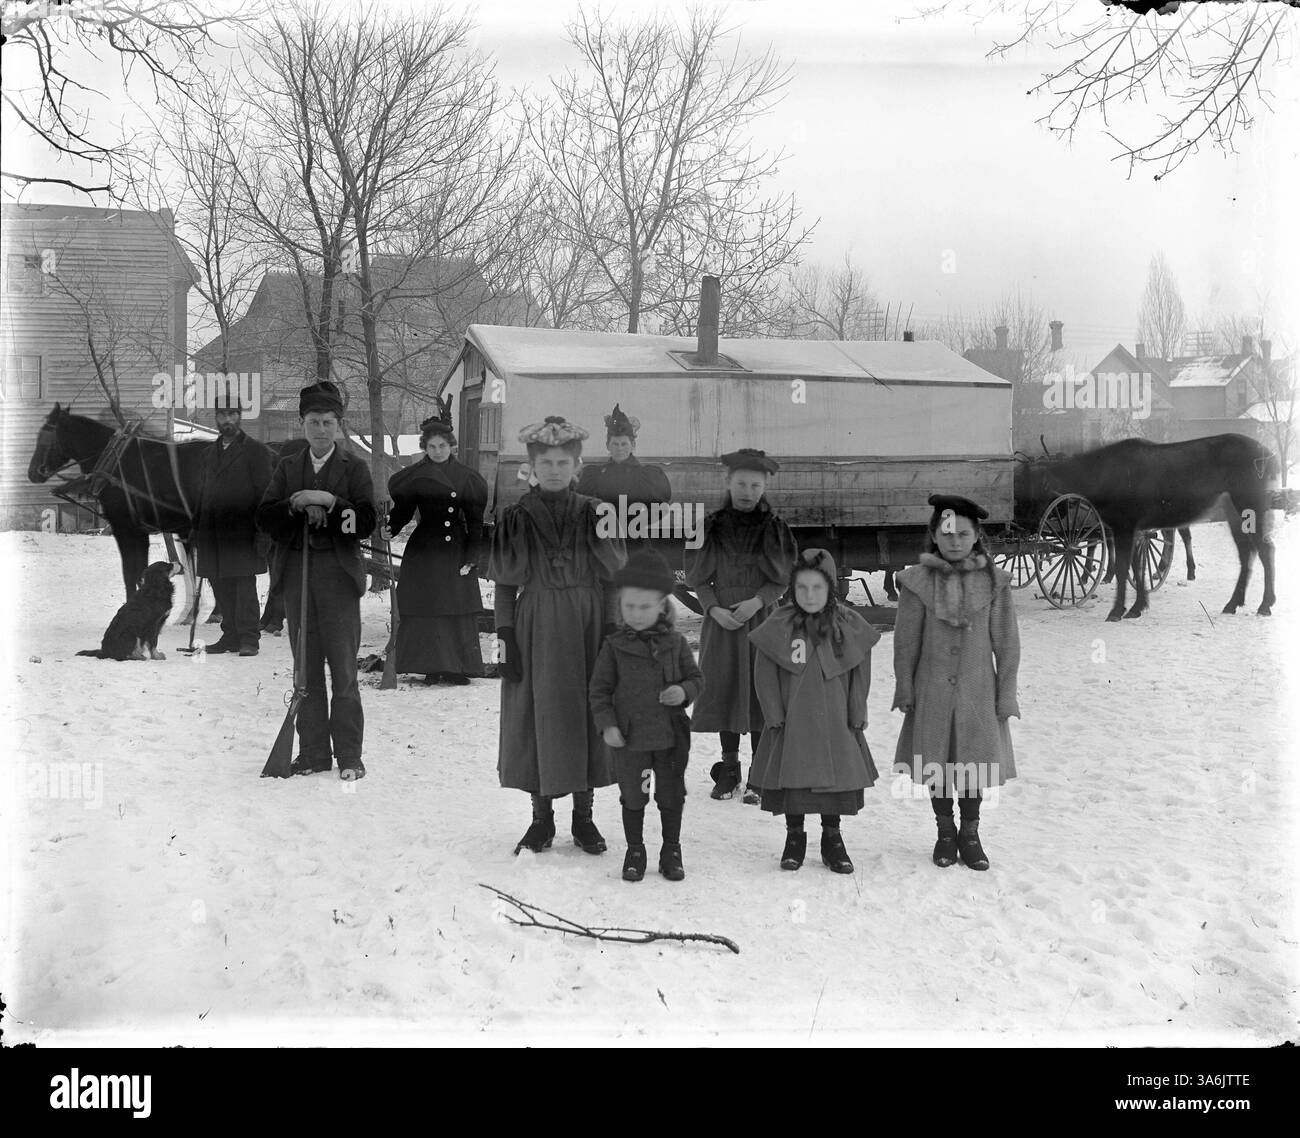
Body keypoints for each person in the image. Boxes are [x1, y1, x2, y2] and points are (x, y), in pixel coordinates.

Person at [489, 415, 627, 855]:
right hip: (536, 626)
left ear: (577, 465)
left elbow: (612, 581)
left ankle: (584, 819)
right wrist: (504, 638)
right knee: (539, 714)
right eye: (545, 462)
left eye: (563, 461)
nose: (554, 469)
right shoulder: (516, 517)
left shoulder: (596, 513)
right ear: (532, 466)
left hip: (588, 624)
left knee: (588, 711)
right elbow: (506, 585)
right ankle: (541, 819)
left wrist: (611, 631)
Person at [891, 494, 1021, 870]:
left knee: (972, 764)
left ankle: (971, 832)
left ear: (976, 535)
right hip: (932, 689)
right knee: (938, 760)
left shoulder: (995, 583)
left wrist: (1006, 695)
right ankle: (945, 831)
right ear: (934, 535)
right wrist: (905, 687)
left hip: (978, 691)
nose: (954, 541)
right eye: (946, 533)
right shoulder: (916, 583)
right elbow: (905, 642)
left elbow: (1007, 643)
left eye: (963, 533)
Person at [256, 380, 377, 781]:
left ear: (339, 426)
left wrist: (330, 502)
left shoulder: (355, 468)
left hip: (338, 580)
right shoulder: (288, 467)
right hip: (298, 579)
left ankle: (348, 755)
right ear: (303, 424)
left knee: (343, 671)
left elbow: (365, 522)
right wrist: (295, 504)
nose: (321, 429)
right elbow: (265, 517)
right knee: (304, 670)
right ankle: (312, 753)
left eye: (328, 422)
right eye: (313, 422)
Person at [748, 548, 880, 873]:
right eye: (802, 588)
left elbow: (860, 670)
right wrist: (772, 711)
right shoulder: (779, 624)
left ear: (831, 588)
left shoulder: (847, 624)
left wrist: (857, 708)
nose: (809, 595)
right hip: (792, 721)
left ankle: (832, 837)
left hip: (836, 720)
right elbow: (763, 671)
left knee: (834, 782)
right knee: (792, 779)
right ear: (792, 589)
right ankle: (795, 836)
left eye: (817, 588)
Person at [685, 448, 797, 804]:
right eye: (741, 483)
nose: (747, 491)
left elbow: (782, 578)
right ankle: (729, 768)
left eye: (754, 484)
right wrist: (712, 609)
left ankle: (759, 773)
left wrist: (757, 601)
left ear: (764, 486)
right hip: (722, 622)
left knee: (761, 691)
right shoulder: (709, 526)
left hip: (762, 619)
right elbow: (697, 577)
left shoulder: (775, 528)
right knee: (727, 688)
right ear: (727, 482)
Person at [589, 549, 704, 882]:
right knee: (634, 796)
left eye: (645, 607)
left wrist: (683, 692)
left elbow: (697, 679)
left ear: (662, 606)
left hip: (670, 738)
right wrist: (607, 724)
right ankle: (635, 850)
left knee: (670, 795)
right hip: (631, 739)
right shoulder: (613, 647)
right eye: (630, 607)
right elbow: (599, 691)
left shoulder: (676, 643)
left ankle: (671, 849)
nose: (637, 614)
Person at [383, 406, 489, 684]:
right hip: (424, 549)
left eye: (442, 445)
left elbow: (476, 522)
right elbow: (403, 512)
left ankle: (456, 668)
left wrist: (472, 555)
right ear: (425, 447)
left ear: (451, 446)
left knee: (456, 607)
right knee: (426, 607)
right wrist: (389, 529)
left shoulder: (467, 477)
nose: (438, 451)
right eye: (432, 446)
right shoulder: (415, 475)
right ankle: (430, 665)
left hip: (455, 549)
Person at [195, 398, 274, 656]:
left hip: (244, 533)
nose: (227, 420)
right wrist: (196, 528)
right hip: (213, 533)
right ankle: (229, 636)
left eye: (232, 414)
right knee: (220, 584)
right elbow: (201, 495)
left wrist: (264, 533)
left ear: (240, 416)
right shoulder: (207, 454)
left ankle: (250, 638)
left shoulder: (256, 452)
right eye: (222, 415)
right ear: (215, 418)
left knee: (243, 586)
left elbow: (266, 496)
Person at [575, 403, 671, 529]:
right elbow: (582, 508)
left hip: (636, 538)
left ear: (633, 445)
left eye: (624, 444)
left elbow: (661, 508)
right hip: (603, 537)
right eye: (615, 444)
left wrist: (637, 524)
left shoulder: (647, 476)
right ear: (608, 445)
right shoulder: (594, 475)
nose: (619, 448)